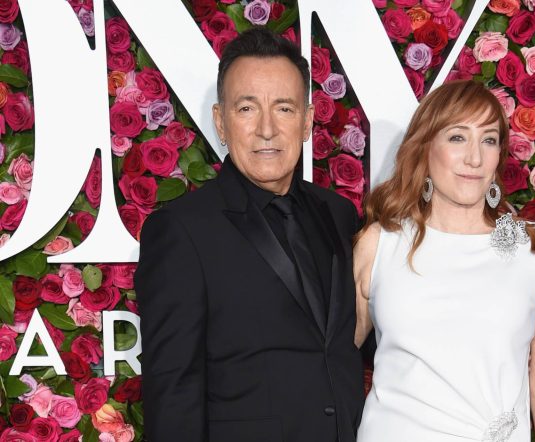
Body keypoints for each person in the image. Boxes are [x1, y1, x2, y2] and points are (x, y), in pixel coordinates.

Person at [135, 28, 364, 442]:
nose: (266, 130)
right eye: (246, 108)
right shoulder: (182, 231)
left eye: (284, 109)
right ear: (221, 121)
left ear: (308, 122)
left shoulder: (339, 214)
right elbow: (173, 392)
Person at [354, 80, 535, 442]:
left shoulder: (533, 249)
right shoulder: (380, 244)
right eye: (457, 138)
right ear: (425, 148)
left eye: (488, 140)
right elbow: (333, 361)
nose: (474, 158)